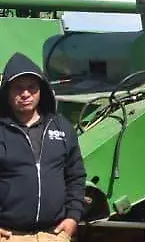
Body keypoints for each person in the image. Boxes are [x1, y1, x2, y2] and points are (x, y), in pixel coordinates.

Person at [0, 53, 86, 240]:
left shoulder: (62, 127)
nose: (25, 94)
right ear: (7, 92)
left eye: (32, 87)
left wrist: (73, 217)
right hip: (9, 236)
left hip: (53, 234)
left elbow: (75, 176)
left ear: (41, 90)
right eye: (18, 88)